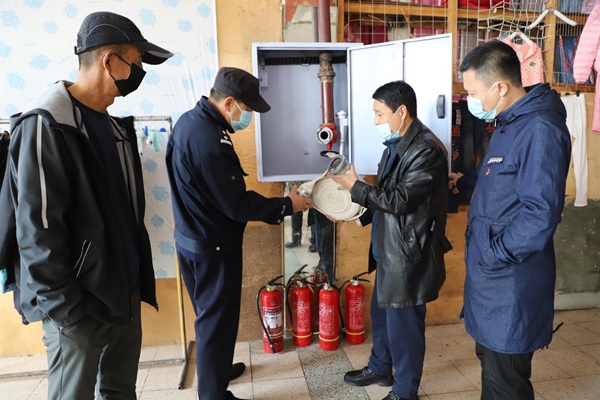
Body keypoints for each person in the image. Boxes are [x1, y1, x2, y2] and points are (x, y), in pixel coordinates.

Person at [0, 11, 173, 400]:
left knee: (119, 392)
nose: (139, 73)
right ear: (110, 61)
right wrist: (66, 312)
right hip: (78, 309)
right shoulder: (47, 123)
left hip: (122, 295)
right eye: (136, 62)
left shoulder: (112, 127)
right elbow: (37, 231)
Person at [165, 66, 312, 400]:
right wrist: (286, 205)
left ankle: (215, 370)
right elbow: (237, 204)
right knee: (215, 321)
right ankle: (213, 395)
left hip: (191, 238)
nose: (248, 117)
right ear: (229, 102)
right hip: (212, 247)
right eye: (246, 109)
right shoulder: (210, 142)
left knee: (210, 317)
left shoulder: (190, 122)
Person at [456, 40, 571, 400]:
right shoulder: (509, 123)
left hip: (510, 283)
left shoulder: (540, 128)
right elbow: (496, 173)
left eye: (474, 93)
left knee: (505, 381)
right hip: (491, 281)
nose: (472, 101)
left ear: (501, 87)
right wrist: (463, 182)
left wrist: (494, 254)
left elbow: (540, 214)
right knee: (492, 367)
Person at [328, 80, 451, 400]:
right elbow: (384, 197)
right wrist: (351, 213)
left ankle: (406, 391)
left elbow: (400, 200)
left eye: (380, 114)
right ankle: (380, 367)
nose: (376, 121)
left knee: (404, 326)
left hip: (409, 252)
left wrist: (355, 185)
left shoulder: (426, 150)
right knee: (382, 315)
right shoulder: (396, 145)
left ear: (401, 112)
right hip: (388, 247)